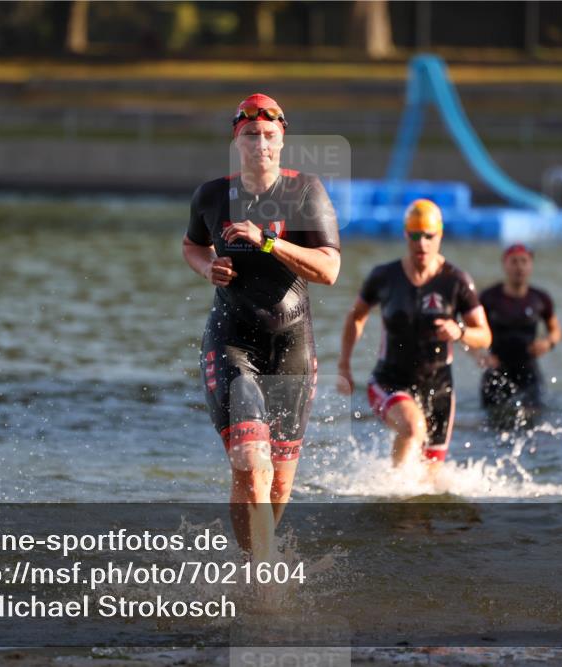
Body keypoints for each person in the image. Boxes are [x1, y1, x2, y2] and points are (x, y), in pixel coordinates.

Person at [182, 94, 340, 561]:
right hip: (232, 340)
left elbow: (329, 269)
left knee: (277, 485)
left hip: (291, 346)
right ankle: (262, 579)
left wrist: (268, 241)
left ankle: (253, 563)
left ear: (282, 140)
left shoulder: (306, 192)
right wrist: (208, 266)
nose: (261, 145)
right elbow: (191, 245)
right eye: (251, 136)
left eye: (269, 136)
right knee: (251, 466)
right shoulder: (211, 195)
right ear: (237, 140)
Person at [337, 199, 490, 468]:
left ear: (439, 235)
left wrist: (459, 331)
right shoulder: (384, 276)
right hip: (389, 381)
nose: (422, 244)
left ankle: (400, 501)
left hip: (440, 388)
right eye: (415, 236)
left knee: (429, 483)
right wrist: (344, 365)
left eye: (429, 236)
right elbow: (356, 316)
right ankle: (393, 495)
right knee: (412, 427)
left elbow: (484, 335)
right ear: (405, 235)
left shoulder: (456, 281)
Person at [478, 244, 562, 424]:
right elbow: (468, 330)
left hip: (528, 371)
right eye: (514, 262)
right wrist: (479, 355)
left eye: (524, 262)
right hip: (497, 370)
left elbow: (555, 331)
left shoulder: (540, 298)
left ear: (531, 265)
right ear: (504, 264)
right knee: (493, 420)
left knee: (533, 419)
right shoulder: (489, 298)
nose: (519, 267)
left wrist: (547, 343)